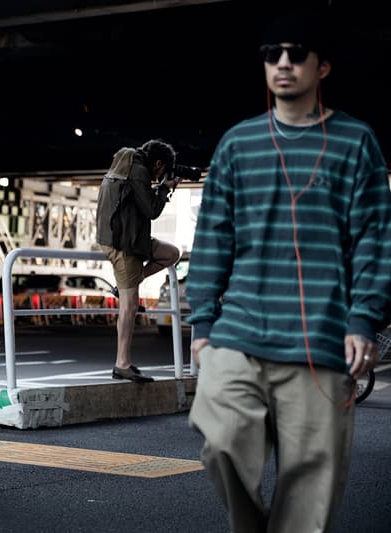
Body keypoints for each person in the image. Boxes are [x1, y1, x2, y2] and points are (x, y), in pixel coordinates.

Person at [185, 8, 391, 532]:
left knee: (308, 491)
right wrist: (202, 323)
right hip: (239, 335)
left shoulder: (356, 142)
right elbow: (213, 238)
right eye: (271, 55)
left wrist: (364, 318)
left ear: (322, 67)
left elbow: (374, 236)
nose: (282, 63)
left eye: (296, 54)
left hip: (320, 344)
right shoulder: (238, 143)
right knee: (222, 442)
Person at [95, 139, 183, 383]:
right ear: (157, 164)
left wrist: (162, 187)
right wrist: (165, 189)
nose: (160, 176)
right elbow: (152, 210)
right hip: (123, 243)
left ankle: (126, 284)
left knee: (171, 253)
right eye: (162, 171)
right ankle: (122, 364)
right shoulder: (139, 170)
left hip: (131, 236)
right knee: (129, 305)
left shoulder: (127, 161)